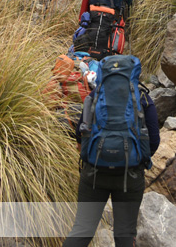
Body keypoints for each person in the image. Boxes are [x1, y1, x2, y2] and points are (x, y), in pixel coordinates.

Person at [62, 55, 161, 247]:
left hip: (94, 172)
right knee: (125, 234)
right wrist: (135, 159)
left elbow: (79, 133)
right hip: (129, 176)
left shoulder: (94, 96)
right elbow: (154, 141)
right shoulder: (143, 98)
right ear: (133, 74)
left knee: (82, 230)